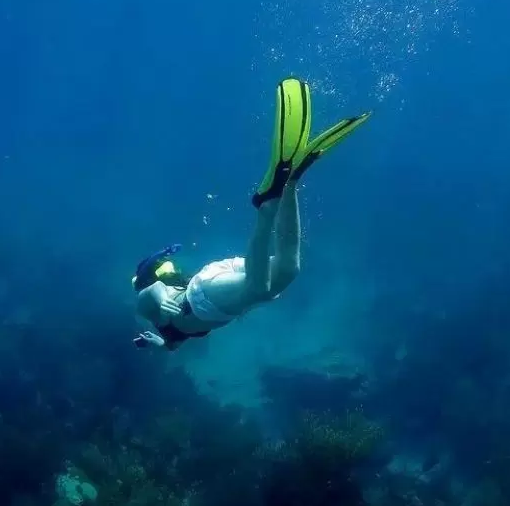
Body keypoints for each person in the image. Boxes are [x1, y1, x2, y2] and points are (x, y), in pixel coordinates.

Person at [132, 78, 370, 350]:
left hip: (203, 299)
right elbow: (172, 345)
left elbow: (148, 296)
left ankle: (266, 207)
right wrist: (158, 343)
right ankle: (292, 181)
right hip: (218, 281)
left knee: (259, 290)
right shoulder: (167, 331)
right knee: (287, 271)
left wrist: (158, 295)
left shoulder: (151, 305)